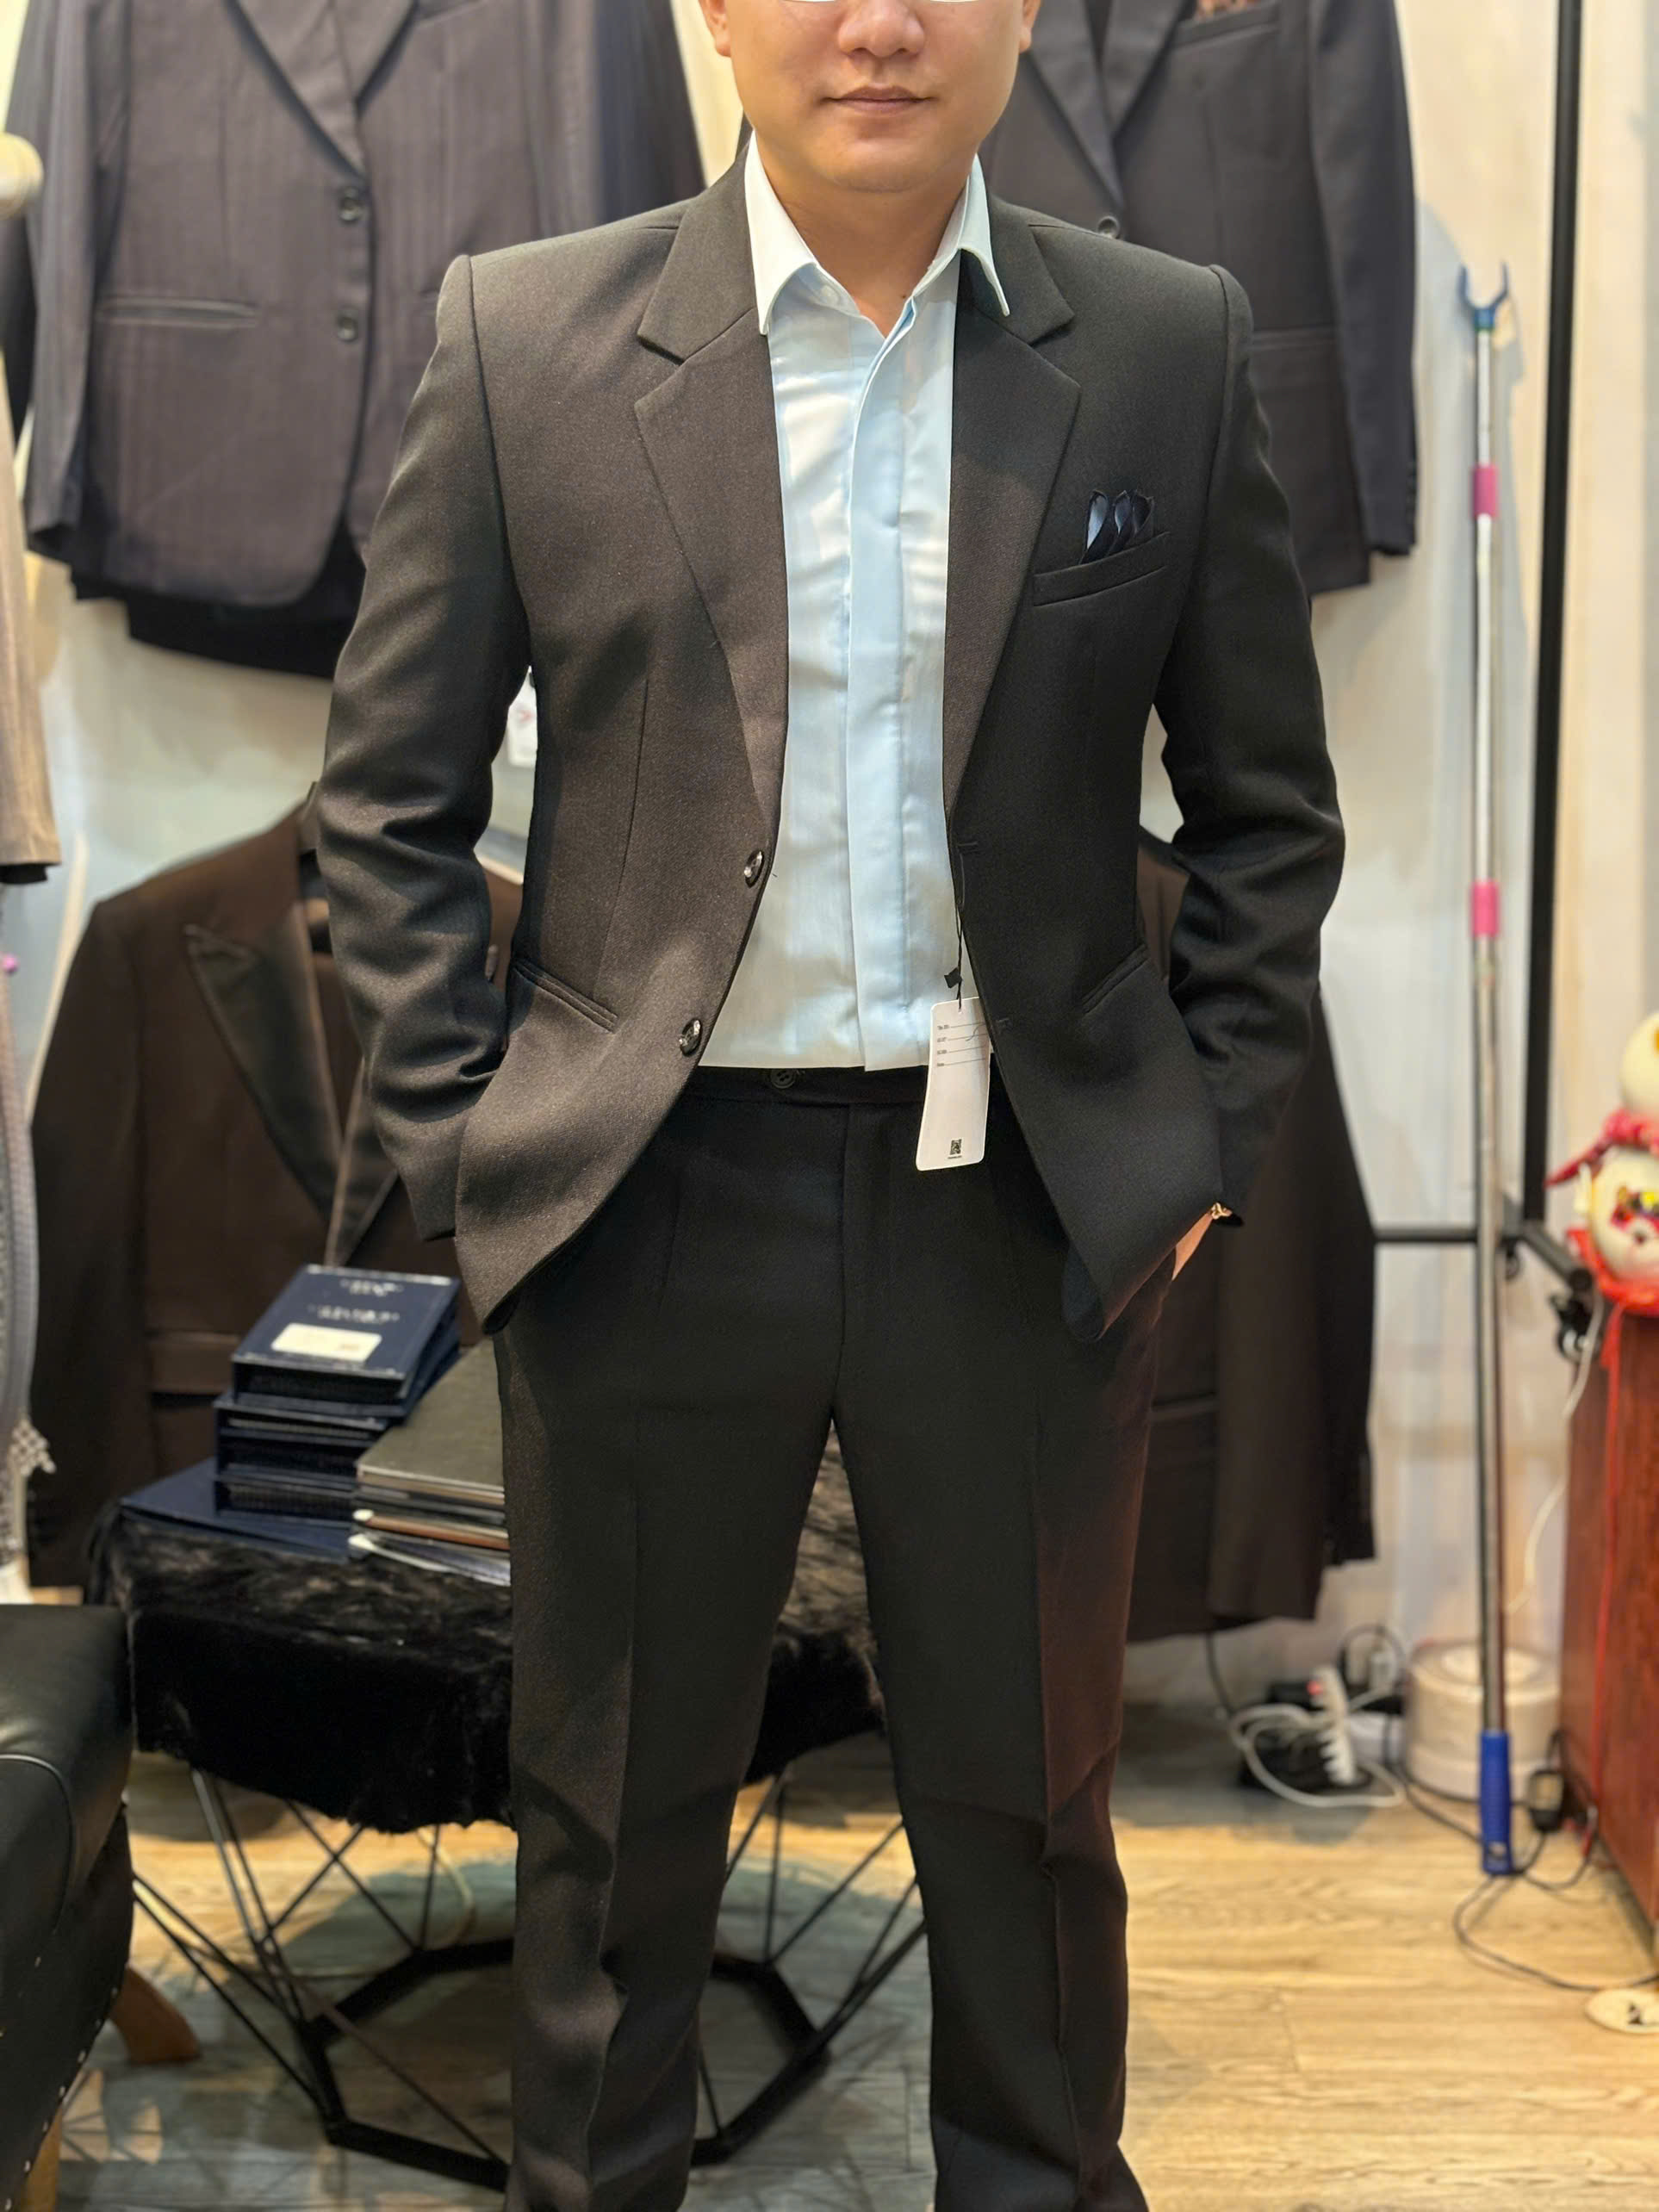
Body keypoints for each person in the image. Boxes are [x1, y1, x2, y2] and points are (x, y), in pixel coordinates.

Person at [315, 1, 1344, 2204]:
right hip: (644, 1199)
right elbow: (385, 808)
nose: (877, 23)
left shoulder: (1161, 342)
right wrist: (470, 1147)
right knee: (609, 1828)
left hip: (1022, 1211)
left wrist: (1192, 1148)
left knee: (1030, 1815)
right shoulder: (529, 338)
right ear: (712, 9)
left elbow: (1268, 814)